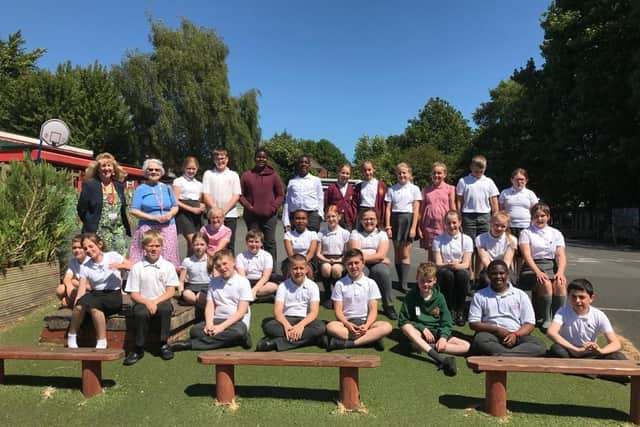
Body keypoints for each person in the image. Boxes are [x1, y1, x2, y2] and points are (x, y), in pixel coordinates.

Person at [170, 249, 254, 352]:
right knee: (195, 331)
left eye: (225, 264)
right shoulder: (213, 282)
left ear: (233, 262)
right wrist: (209, 324)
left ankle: (190, 344)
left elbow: (241, 312)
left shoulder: (243, 282)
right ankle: (237, 340)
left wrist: (220, 328)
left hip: (236, 322)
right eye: (218, 266)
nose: (222, 268)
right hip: (217, 318)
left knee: (238, 332)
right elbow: (210, 306)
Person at [398, 262, 470, 376]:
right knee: (407, 328)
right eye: (422, 281)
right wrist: (422, 328)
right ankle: (438, 358)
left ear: (435, 280)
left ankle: (426, 346)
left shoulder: (440, 297)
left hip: (436, 332)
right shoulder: (411, 296)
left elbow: (446, 321)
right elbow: (403, 320)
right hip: (419, 332)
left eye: (429, 281)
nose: (426, 284)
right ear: (417, 279)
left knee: (466, 346)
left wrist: (443, 337)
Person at [468, 260, 546, 357]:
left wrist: (515, 335)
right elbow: (474, 323)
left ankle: (503, 355)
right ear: (488, 275)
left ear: (507, 274)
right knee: (480, 339)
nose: (498, 277)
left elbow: (529, 324)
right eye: (494, 274)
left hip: (516, 335)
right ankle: (513, 355)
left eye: (501, 273)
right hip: (491, 335)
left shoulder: (520, 295)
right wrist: (497, 330)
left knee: (539, 345)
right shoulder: (479, 295)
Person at [123, 230, 178, 365]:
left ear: (161, 247)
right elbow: (134, 293)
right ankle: (139, 348)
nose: (153, 249)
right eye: (150, 246)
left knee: (165, 309)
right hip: (142, 301)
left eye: (157, 246)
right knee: (140, 312)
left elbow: (171, 291)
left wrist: (155, 302)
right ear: (143, 247)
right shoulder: (137, 267)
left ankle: (163, 344)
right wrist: (148, 302)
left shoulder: (168, 266)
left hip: (161, 301)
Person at [67, 234, 129, 349]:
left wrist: (120, 266)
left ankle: (101, 341)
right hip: (96, 294)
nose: (89, 250)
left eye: (91, 246)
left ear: (99, 245)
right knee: (80, 305)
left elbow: (133, 266)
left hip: (112, 294)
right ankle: (71, 335)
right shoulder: (85, 266)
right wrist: (77, 305)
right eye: (85, 248)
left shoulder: (112, 256)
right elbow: (81, 290)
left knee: (94, 307)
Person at [325, 249, 392, 351]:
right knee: (331, 326)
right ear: (345, 266)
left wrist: (367, 325)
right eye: (350, 264)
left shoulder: (371, 283)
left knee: (387, 326)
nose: (354, 266)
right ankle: (371, 339)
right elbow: (338, 311)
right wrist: (347, 324)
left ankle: (349, 343)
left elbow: (373, 310)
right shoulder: (340, 284)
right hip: (346, 324)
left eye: (356, 263)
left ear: (363, 263)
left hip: (366, 323)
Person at [256, 254, 326, 351]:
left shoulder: (313, 286)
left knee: (320, 327)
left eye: (301, 268)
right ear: (290, 270)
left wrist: (300, 326)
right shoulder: (283, 286)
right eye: (295, 268)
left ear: (306, 269)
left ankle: (276, 343)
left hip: (305, 321)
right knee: (269, 326)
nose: (298, 271)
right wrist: (288, 327)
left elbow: (314, 312)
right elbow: (278, 312)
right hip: (286, 319)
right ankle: (312, 340)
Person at [547, 278, 626, 361]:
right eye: (573, 297)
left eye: (581, 297)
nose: (577, 301)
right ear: (568, 297)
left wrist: (601, 351)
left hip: (589, 353)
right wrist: (575, 349)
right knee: (556, 349)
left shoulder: (599, 315)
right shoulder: (563, 311)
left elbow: (616, 343)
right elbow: (551, 332)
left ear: (591, 298)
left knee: (618, 356)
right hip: (568, 350)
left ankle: (575, 368)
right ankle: (589, 371)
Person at [518, 202, 567, 330]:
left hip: (551, 266)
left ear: (548, 217)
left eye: (542, 216)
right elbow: (527, 255)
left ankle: (558, 319)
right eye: (536, 216)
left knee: (560, 284)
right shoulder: (526, 233)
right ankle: (547, 319)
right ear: (532, 217)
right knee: (545, 282)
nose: (539, 219)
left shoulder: (556, 233)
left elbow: (561, 255)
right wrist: (537, 271)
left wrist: (560, 272)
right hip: (531, 268)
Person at [77, 152, 131, 256]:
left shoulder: (119, 186)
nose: (107, 168)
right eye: (103, 166)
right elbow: (81, 209)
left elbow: (122, 208)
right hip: (98, 232)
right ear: (98, 169)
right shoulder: (90, 185)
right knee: (98, 263)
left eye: (109, 165)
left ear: (114, 169)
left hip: (117, 232)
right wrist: (90, 222)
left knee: (119, 261)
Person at [129, 159, 180, 267]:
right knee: (148, 255)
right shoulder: (140, 189)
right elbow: (134, 210)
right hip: (148, 227)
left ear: (161, 172)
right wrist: (153, 218)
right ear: (145, 172)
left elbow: (175, 206)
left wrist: (170, 214)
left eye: (157, 170)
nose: (153, 172)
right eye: (150, 169)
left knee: (168, 256)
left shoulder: (167, 187)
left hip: (168, 226)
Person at [349, 208, 397, 320]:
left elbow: (381, 254)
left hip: (373, 263)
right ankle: (359, 306)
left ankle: (388, 305)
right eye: (365, 219)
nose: (369, 221)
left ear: (377, 220)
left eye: (372, 219)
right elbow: (356, 254)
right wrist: (377, 257)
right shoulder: (355, 233)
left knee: (382, 272)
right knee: (360, 273)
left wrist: (366, 257)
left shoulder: (382, 234)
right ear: (360, 221)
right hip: (360, 264)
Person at [239, 148, 285, 262]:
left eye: (264, 157)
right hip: (251, 216)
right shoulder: (247, 175)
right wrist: (249, 206)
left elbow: (281, 195)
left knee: (269, 242)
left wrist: (273, 207)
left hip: (269, 216)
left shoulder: (274, 176)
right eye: (259, 157)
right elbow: (240, 195)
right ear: (255, 158)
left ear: (267, 159)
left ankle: (271, 271)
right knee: (254, 243)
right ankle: (253, 267)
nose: (261, 159)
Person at [385, 162, 422, 293]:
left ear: (409, 174)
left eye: (404, 172)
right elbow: (388, 209)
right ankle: (400, 281)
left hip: (408, 220)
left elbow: (416, 210)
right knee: (397, 252)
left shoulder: (414, 189)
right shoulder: (391, 189)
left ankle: (404, 283)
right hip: (395, 220)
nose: (402, 175)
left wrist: (413, 228)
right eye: (399, 173)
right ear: (397, 174)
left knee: (405, 253)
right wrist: (388, 226)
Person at [432, 210, 473, 326]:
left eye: (454, 222)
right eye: (448, 223)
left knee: (462, 274)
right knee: (447, 274)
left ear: (460, 222)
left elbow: (466, 263)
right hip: (444, 269)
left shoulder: (467, 239)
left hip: (460, 267)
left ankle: (460, 310)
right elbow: (438, 263)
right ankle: (449, 310)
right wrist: (449, 265)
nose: (451, 226)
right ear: (444, 224)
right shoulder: (438, 240)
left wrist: (456, 266)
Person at [202, 148, 242, 253]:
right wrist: (216, 211)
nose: (220, 161)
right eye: (217, 159)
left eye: (222, 158)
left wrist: (223, 211)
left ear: (227, 159)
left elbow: (236, 195)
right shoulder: (208, 174)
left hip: (230, 214)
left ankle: (230, 268)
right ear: (214, 160)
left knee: (229, 244)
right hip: (213, 215)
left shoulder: (234, 175)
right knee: (211, 243)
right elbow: (206, 194)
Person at [455, 155, 500, 241]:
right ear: (471, 167)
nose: (479, 173)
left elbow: (494, 201)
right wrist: (458, 216)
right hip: (468, 216)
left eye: (481, 171)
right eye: (476, 171)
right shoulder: (463, 181)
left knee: (484, 243)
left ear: (485, 168)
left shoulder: (489, 181)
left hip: (485, 216)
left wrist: (495, 217)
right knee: (469, 242)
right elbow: (459, 200)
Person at [418, 162, 456, 261]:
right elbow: (421, 210)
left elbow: (452, 207)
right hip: (429, 226)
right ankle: (431, 276)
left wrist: (456, 223)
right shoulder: (426, 190)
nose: (436, 175)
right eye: (434, 173)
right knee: (432, 254)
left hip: (444, 225)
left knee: (445, 252)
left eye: (439, 173)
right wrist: (418, 227)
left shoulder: (450, 189)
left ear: (444, 174)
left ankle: (442, 276)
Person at [315, 205, 350, 308]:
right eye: (328, 217)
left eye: (333, 216)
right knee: (326, 268)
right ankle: (327, 293)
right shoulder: (321, 232)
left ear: (339, 217)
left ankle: (337, 295)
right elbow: (318, 253)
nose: (331, 219)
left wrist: (339, 260)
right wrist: (327, 260)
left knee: (336, 269)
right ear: (325, 218)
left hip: (340, 259)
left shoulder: (345, 233)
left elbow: (347, 253)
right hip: (325, 259)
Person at [475, 211, 517, 289]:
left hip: (505, 268)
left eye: (503, 226)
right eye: (496, 225)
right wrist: (494, 274)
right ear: (491, 223)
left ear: (507, 226)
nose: (499, 228)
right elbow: (485, 260)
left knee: (509, 281)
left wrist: (501, 275)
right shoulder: (480, 238)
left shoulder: (512, 239)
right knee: (487, 281)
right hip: (488, 268)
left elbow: (507, 261)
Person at [282, 155, 324, 232]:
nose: (303, 164)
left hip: (312, 216)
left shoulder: (316, 180)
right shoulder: (292, 182)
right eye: (301, 162)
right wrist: (286, 221)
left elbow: (320, 199)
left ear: (309, 165)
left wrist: (320, 215)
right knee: (296, 242)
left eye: (306, 162)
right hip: (295, 216)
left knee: (312, 242)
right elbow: (287, 202)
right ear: (298, 165)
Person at [173, 156, 205, 256]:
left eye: (193, 168)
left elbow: (200, 200)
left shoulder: (199, 183)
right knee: (192, 241)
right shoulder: (178, 181)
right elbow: (175, 200)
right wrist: (192, 209)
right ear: (184, 168)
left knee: (197, 241)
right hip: (184, 213)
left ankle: (193, 265)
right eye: (189, 168)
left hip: (196, 214)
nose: (191, 171)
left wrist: (202, 206)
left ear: (197, 169)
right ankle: (187, 267)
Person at [236, 229, 278, 299]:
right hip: (246, 282)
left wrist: (254, 290)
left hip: (261, 282)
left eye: (257, 242)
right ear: (246, 242)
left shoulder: (267, 256)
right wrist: (248, 289)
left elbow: (266, 277)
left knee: (274, 286)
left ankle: (249, 296)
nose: (254, 244)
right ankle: (260, 297)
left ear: (261, 243)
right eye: (251, 241)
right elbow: (242, 277)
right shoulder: (240, 256)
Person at [498, 168, 538, 239]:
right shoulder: (505, 193)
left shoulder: (530, 194)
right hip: (509, 227)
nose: (519, 181)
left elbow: (535, 211)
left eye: (522, 179)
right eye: (517, 179)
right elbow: (501, 211)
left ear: (526, 180)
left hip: (526, 226)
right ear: (512, 180)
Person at [283, 209, 319, 278]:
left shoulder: (313, 234)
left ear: (307, 221)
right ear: (293, 221)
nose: (300, 221)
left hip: (308, 261)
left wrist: (302, 264)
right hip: (292, 261)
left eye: (303, 218)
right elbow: (290, 254)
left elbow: (311, 254)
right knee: (291, 270)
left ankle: (309, 287)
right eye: (297, 218)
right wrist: (297, 265)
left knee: (307, 269)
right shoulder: (288, 235)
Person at [178, 232, 210, 308]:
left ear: (207, 246)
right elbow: (181, 280)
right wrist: (181, 292)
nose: (199, 247)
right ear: (192, 245)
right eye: (196, 244)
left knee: (201, 296)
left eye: (202, 244)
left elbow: (216, 278)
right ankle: (199, 305)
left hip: (206, 287)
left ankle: (200, 308)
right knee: (187, 295)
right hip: (191, 287)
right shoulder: (187, 261)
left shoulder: (211, 260)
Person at [56, 235, 87, 308]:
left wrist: (73, 281)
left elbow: (88, 284)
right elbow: (67, 278)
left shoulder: (89, 261)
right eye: (74, 248)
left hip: (88, 290)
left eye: (80, 248)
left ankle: (75, 305)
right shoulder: (73, 261)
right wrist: (70, 286)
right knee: (60, 289)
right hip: (79, 287)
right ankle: (73, 305)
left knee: (64, 302)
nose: (77, 250)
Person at [353, 160, 387, 225]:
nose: (367, 172)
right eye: (365, 170)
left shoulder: (381, 185)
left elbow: (384, 205)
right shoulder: (358, 186)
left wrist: (382, 218)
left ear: (374, 169)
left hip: (375, 212)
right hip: (362, 213)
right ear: (362, 171)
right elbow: (354, 204)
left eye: (369, 170)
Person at [324, 164, 357, 229]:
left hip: (348, 220)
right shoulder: (331, 188)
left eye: (347, 174)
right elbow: (326, 203)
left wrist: (353, 215)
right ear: (338, 173)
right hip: (334, 220)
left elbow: (354, 205)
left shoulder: (352, 189)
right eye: (343, 173)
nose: (345, 175)